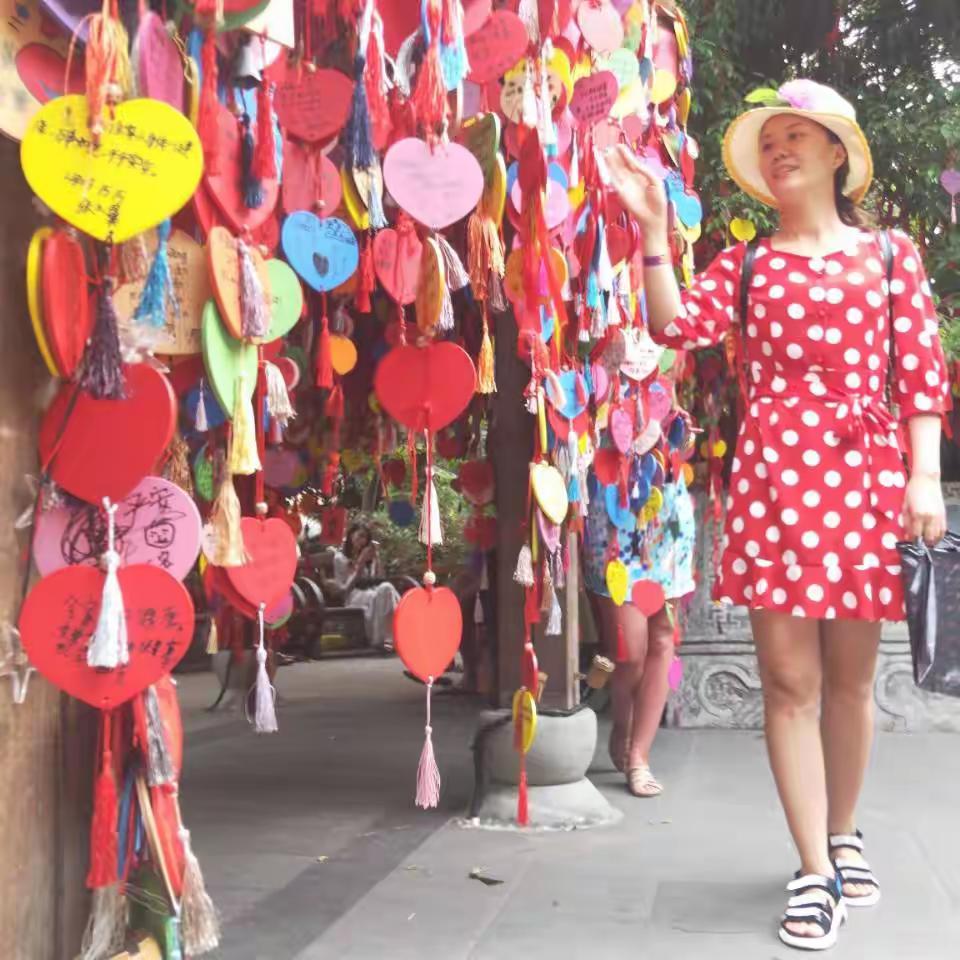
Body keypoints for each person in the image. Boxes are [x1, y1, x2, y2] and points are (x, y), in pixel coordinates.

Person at [607, 79, 949, 951]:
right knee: (789, 684)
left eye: (798, 134)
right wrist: (654, 232)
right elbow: (673, 326)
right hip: (775, 485)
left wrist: (923, 478)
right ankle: (814, 868)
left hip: (866, 481)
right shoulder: (749, 264)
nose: (781, 148)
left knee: (852, 682)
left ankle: (843, 831)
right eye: (769, 140)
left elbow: (919, 375)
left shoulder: (892, 257)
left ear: (838, 153)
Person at [330, 523, 401, 651]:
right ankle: (389, 638)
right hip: (353, 595)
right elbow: (346, 589)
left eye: (365, 538)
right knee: (386, 590)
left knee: (387, 588)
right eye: (360, 536)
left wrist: (376, 557)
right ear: (351, 536)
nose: (362, 541)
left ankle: (391, 637)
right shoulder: (340, 558)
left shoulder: (368, 557)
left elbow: (380, 578)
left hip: (371, 591)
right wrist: (360, 563)